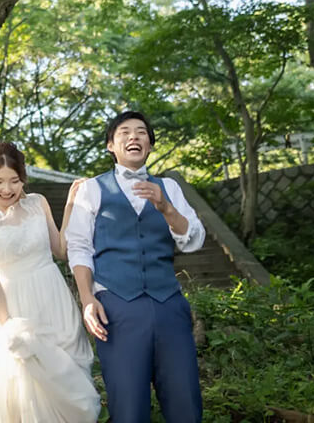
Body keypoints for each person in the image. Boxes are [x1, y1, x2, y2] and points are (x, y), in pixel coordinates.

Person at [65, 110, 206, 423]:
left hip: (169, 304)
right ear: (110, 146)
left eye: (141, 132)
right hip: (117, 308)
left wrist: (166, 208)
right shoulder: (92, 189)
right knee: (128, 407)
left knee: (185, 401)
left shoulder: (170, 187)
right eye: (125, 132)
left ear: (150, 145)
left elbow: (193, 240)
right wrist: (88, 299)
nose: (134, 137)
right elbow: (78, 247)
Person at [0, 142, 101, 423]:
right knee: (29, 385)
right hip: (17, 307)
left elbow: (61, 250)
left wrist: (72, 203)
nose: (6, 189)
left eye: (14, 181)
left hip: (54, 298)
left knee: (70, 377)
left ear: (23, 179)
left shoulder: (38, 203)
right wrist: (7, 327)